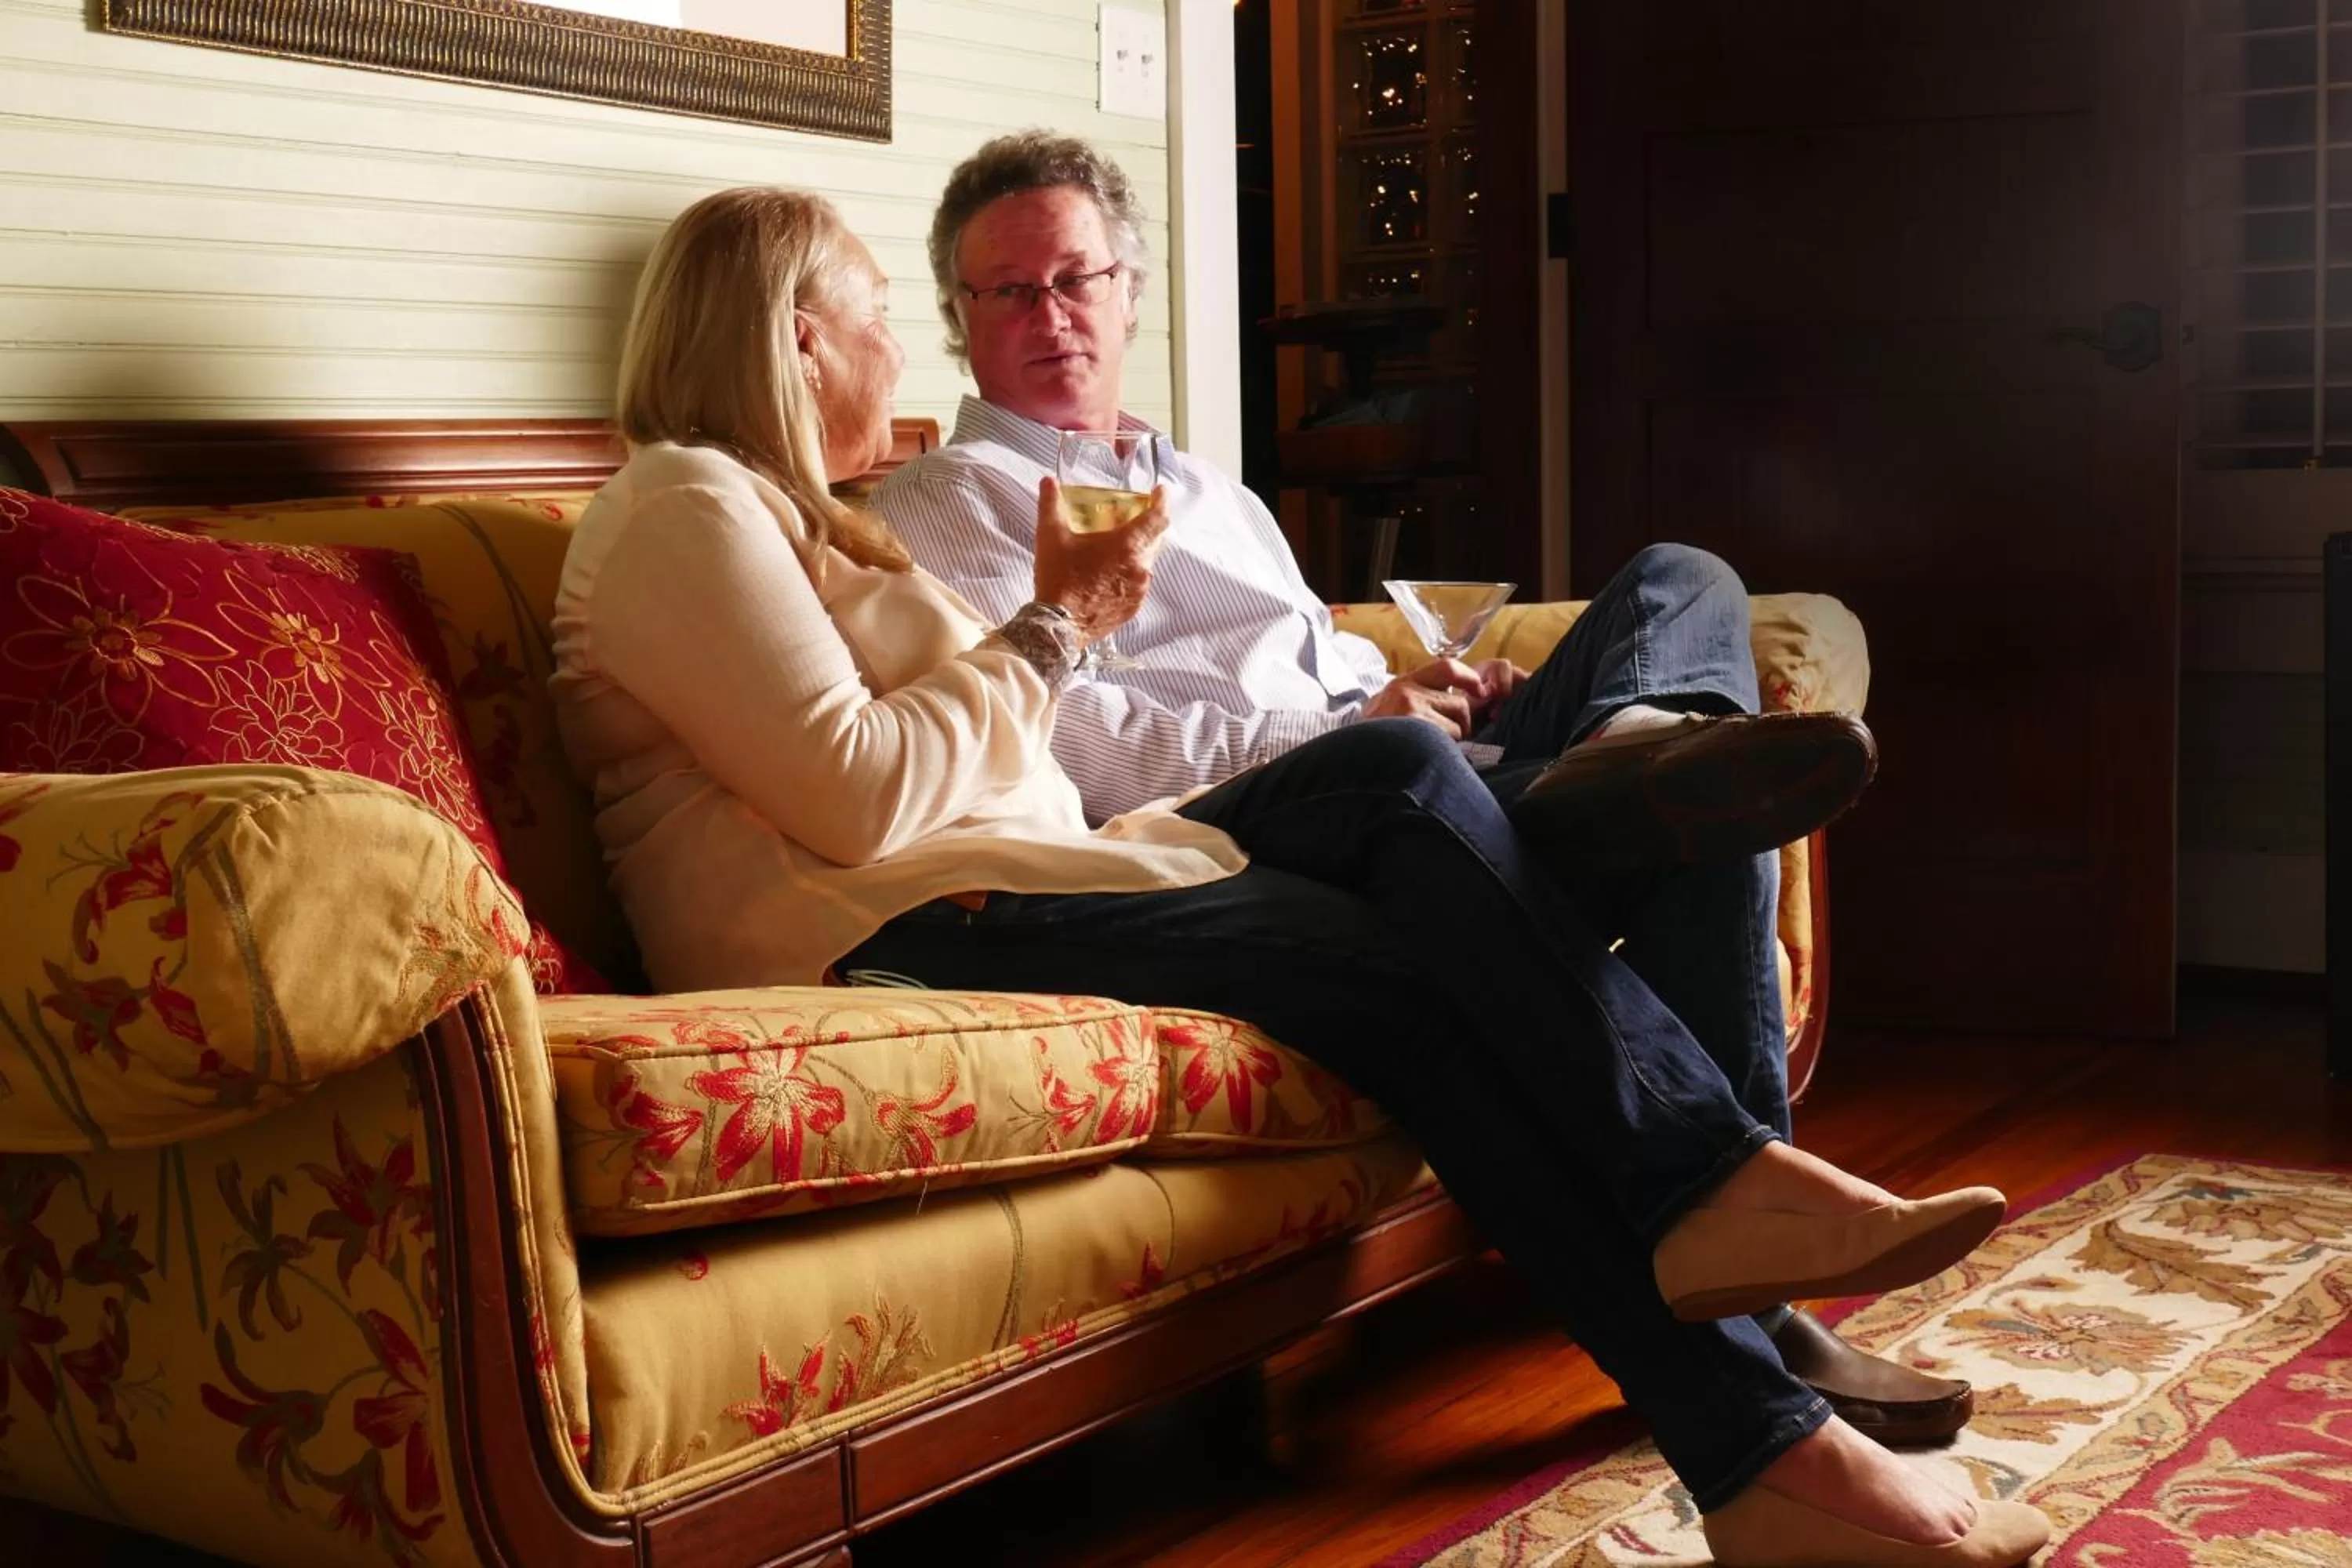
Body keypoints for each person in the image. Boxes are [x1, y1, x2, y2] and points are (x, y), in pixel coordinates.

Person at [550, 184, 2049, 1568]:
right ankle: (1751, 1346)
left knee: (1418, 783)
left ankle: (1735, 1273)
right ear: (800, 336)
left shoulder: (803, 521)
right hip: (900, 926)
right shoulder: (683, 501)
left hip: (1049, 873)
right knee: (1430, 953)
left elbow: (977, 760)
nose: (894, 345)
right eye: (884, 309)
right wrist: (1062, 629)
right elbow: (863, 787)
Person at [873, 131, 1973, 1454]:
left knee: (1687, 599)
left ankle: (1630, 747)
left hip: (1393, 771)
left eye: (1076, 278)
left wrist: (1450, 686)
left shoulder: (1208, 491)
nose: (1051, 315)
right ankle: (1760, 1305)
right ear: (960, 318)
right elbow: (1071, 741)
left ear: (1127, 287)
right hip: (1237, 829)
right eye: (1009, 291)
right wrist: (1355, 717)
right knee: (1536, 781)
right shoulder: (949, 502)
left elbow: (1319, 651)